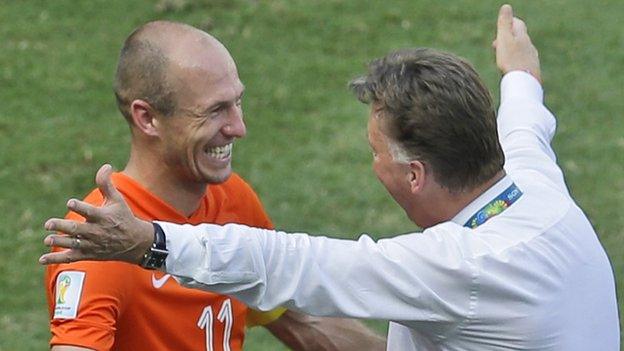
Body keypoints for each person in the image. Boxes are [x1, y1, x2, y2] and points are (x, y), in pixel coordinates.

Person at [40, 5, 620, 350]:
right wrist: (519, 72)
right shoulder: (535, 184)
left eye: (376, 153)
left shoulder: (458, 265)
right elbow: (525, 125)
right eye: (217, 109)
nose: (238, 128)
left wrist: (147, 241)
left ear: (414, 173)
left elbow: (295, 266)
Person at [42, 21, 385, 351]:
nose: (239, 127)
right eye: (215, 111)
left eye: (237, 102)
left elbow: (298, 321)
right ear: (148, 118)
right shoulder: (101, 243)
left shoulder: (232, 198)